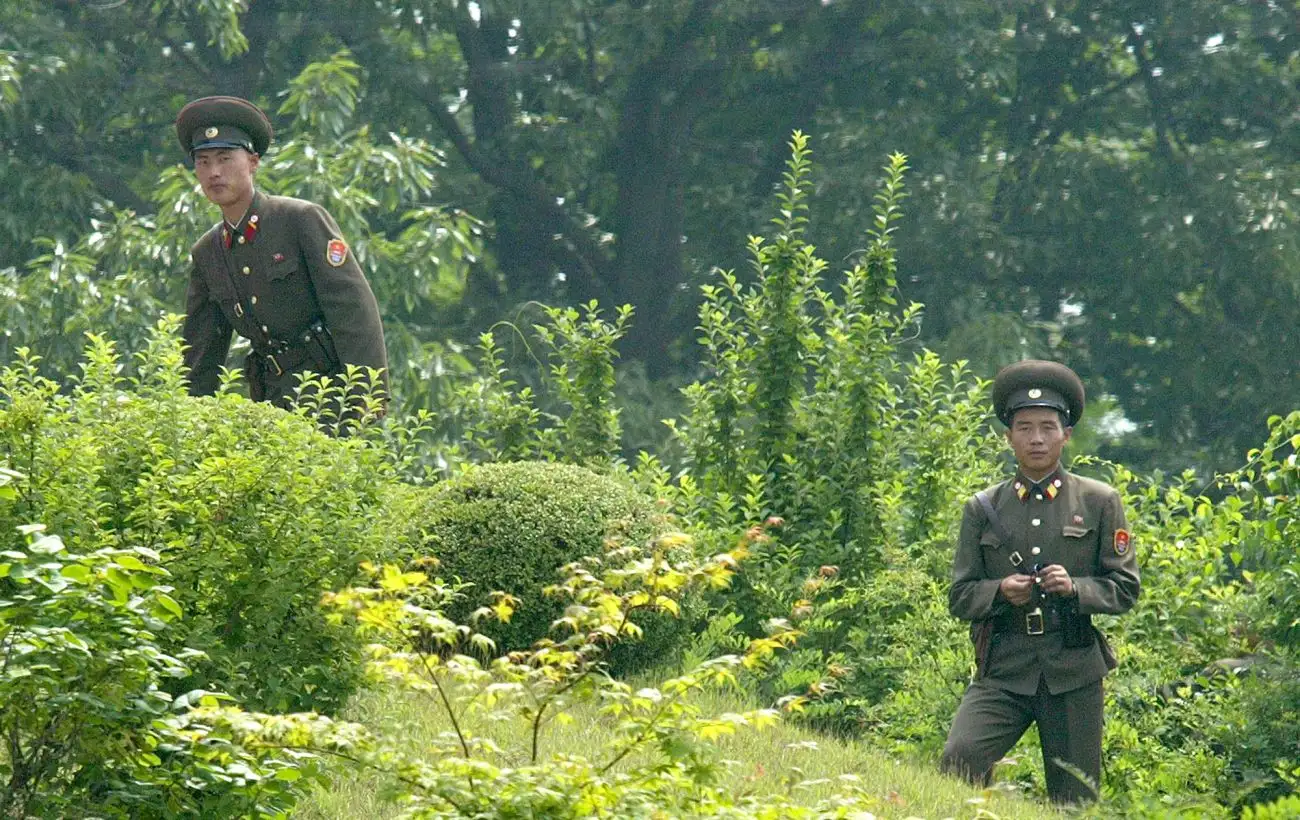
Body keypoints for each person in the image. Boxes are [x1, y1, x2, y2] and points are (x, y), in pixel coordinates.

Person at [940, 360, 1140, 804]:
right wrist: (998, 593)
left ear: (1066, 434)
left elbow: (1125, 588)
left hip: (1073, 670)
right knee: (959, 759)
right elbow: (960, 595)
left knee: (1074, 801)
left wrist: (1076, 588)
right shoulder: (983, 508)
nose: (1036, 438)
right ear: (1008, 435)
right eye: (1024, 427)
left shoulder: (1098, 502)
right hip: (1004, 669)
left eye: (1047, 427)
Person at [173, 95, 388, 417]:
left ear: (253, 162)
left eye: (225, 158)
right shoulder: (209, 253)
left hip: (331, 391)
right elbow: (203, 347)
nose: (214, 172)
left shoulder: (299, 219)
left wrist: (368, 393)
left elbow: (352, 306)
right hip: (270, 400)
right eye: (203, 162)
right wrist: (184, 420)